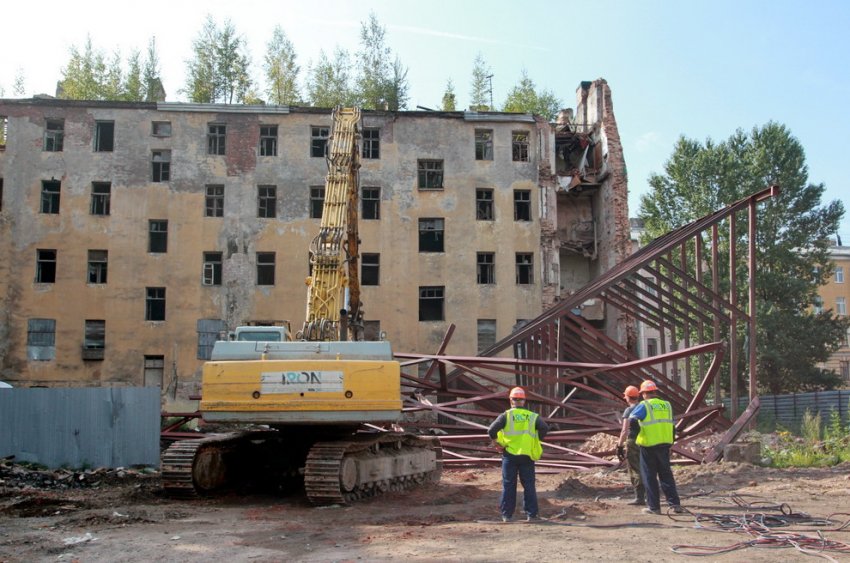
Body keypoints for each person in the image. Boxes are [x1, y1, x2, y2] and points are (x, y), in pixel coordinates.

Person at [488, 386, 549, 522]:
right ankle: (531, 515)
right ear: (524, 401)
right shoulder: (532, 417)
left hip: (509, 454)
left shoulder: (506, 416)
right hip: (527, 455)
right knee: (529, 485)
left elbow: (491, 430)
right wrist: (535, 440)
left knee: (508, 484)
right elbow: (544, 428)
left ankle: (507, 515)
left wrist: (496, 444)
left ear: (511, 400)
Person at [629, 379, 683, 515]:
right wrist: (671, 442)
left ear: (645, 393)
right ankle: (675, 504)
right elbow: (671, 425)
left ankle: (654, 507)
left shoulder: (645, 405)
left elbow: (632, 419)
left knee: (650, 476)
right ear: (655, 392)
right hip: (664, 444)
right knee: (666, 475)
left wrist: (636, 436)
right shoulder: (667, 405)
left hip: (648, 445)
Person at [616, 385, 645, 505]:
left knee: (635, 469)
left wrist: (619, 445)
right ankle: (650, 495)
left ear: (627, 397)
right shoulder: (644, 407)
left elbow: (624, 431)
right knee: (645, 467)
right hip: (645, 440)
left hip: (633, 441)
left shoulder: (629, 410)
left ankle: (639, 497)